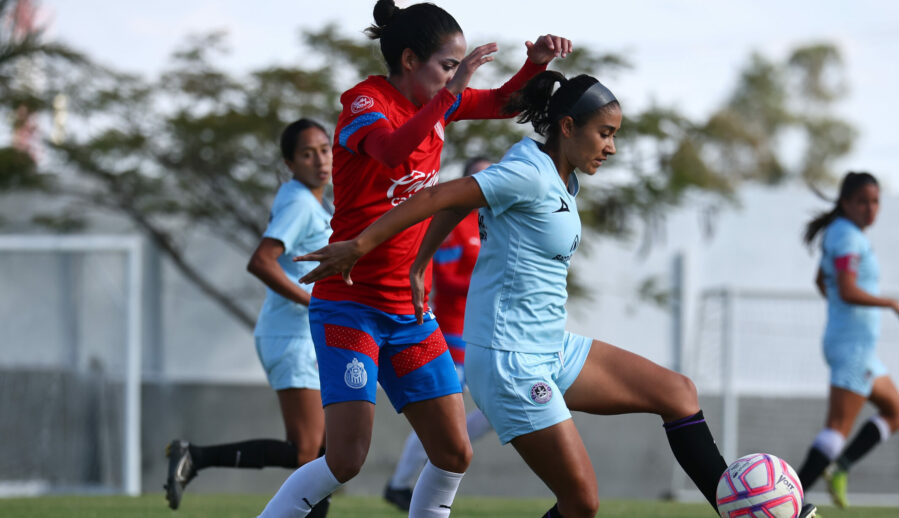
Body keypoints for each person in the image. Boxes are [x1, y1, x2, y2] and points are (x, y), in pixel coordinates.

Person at [295, 72, 818, 518]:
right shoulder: (528, 171)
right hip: (511, 362)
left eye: (614, 135)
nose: (610, 147)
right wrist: (363, 246)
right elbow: (438, 196)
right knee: (581, 503)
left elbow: (460, 203)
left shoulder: (562, 175)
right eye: (604, 134)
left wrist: (419, 263)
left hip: (551, 347)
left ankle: (742, 508)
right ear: (567, 128)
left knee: (677, 392)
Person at [255, 1, 571, 516]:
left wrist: (535, 64)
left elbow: (504, 102)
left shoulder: (438, 100)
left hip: (408, 311)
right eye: (448, 65)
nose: (456, 77)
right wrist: (451, 92)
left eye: (457, 67)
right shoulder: (364, 102)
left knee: (453, 452)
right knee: (346, 459)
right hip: (349, 307)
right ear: (408, 60)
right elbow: (392, 152)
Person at [163, 118, 334, 516]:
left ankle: (197, 456)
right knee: (309, 452)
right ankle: (196, 456)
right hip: (292, 336)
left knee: (325, 452)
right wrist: (313, 302)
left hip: (302, 336)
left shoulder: (312, 201)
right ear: (290, 162)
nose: (319, 160)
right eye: (307, 154)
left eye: (324, 149)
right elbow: (261, 261)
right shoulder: (298, 202)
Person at [795, 171, 899, 509]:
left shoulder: (842, 233)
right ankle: (788, 500)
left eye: (875, 201)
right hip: (852, 349)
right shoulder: (847, 237)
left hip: (858, 348)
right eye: (862, 201)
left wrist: (840, 309)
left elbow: (822, 280)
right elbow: (845, 289)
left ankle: (840, 469)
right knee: (836, 429)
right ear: (845, 203)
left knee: (897, 412)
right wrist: (890, 303)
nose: (870, 208)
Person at [383, 157, 495, 511]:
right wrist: (486, 281)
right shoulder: (453, 225)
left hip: (485, 333)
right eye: (478, 177)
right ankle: (401, 484)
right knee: (445, 420)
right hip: (451, 333)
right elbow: (444, 278)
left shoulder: (494, 221)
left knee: (493, 410)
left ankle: (409, 481)